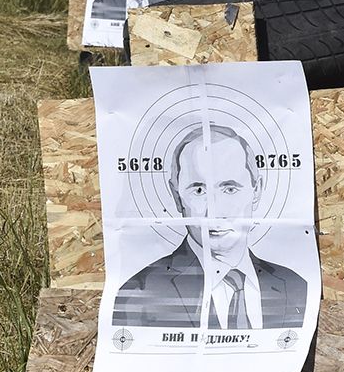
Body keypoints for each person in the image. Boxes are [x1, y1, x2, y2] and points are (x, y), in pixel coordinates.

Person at [111, 124, 309, 329]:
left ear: (256, 191)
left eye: (230, 189)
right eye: (198, 190)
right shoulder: (139, 295)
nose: (214, 211)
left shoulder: (297, 289)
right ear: (177, 197)